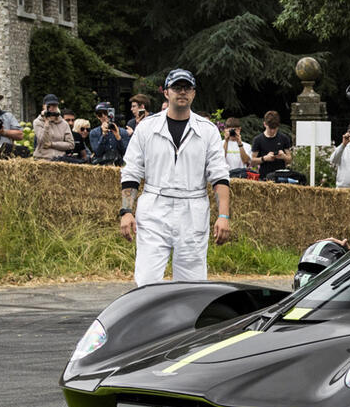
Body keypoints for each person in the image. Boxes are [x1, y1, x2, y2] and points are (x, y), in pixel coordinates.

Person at [119, 68, 231, 286]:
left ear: (194, 93)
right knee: (147, 280)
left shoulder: (207, 131)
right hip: (154, 208)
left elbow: (219, 177)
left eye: (187, 88)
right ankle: (149, 321)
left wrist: (223, 216)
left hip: (193, 210)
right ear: (166, 93)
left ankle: (186, 321)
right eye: (176, 87)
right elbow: (132, 171)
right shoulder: (147, 129)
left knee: (192, 284)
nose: (182, 92)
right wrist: (126, 211)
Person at [32, 94, 77, 160]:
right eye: (49, 106)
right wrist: (46, 123)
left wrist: (52, 144)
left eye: (54, 105)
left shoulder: (63, 123)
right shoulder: (37, 122)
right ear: (44, 106)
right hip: (42, 158)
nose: (52, 108)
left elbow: (71, 144)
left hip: (60, 158)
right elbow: (43, 141)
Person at [250, 110, 292, 177]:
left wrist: (284, 156)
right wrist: (265, 158)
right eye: (270, 128)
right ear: (265, 124)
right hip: (264, 177)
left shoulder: (284, 138)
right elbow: (252, 161)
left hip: (281, 177)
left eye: (275, 128)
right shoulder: (258, 140)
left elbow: (289, 159)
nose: (272, 131)